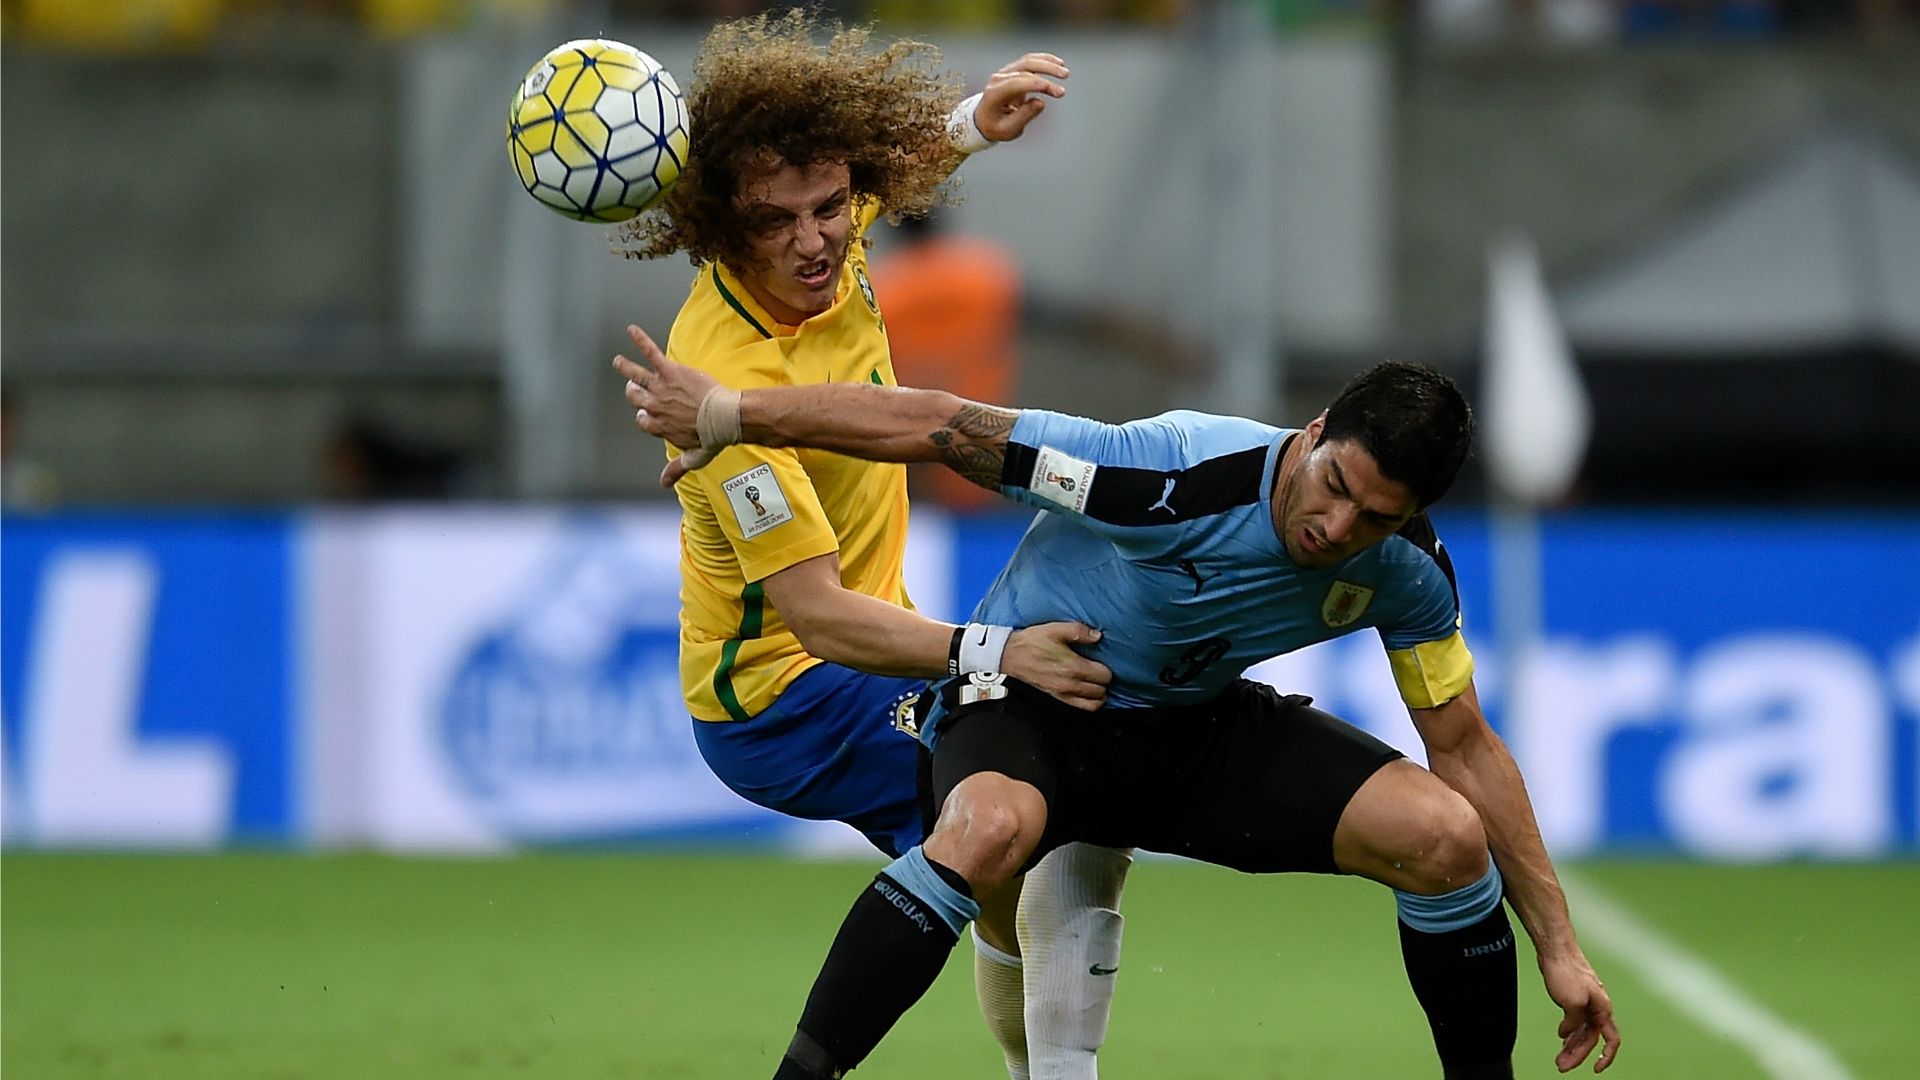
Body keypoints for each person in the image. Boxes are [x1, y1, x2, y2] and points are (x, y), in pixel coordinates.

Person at [614, 335, 1624, 1079]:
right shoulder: (1166, 474)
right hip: (1029, 699)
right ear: (1314, 433)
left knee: (1446, 837)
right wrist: (729, 415)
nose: (1337, 526)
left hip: (1191, 729)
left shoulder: (1407, 570)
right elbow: (940, 425)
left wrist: (1559, 945)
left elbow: (1465, 747)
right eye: (1335, 485)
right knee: (988, 828)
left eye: (1376, 517)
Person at [609, 13, 1133, 1079]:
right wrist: (998, 654)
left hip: (852, 655)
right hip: (784, 697)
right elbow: (819, 618)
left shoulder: (831, 236)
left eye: (831, 209)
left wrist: (974, 122)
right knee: (1033, 798)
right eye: (777, 221)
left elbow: (884, 169)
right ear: (720, 225)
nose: (815, 240)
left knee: (1030, 830)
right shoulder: (726, 391)